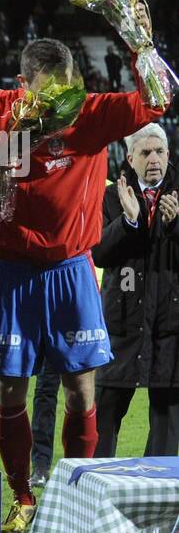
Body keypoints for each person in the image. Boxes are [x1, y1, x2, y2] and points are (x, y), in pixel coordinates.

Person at [0, 37, 168, 533]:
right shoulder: (0, 114)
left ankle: (77, 499)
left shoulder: (88, 115)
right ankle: (21, 500)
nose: (57, 107)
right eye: (46, 97)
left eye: (65, 93)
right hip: (15, 274)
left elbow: (157, 99)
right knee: (10, 392)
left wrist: (138, 43)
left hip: (72, 271)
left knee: (81, 389)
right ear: (23, 87)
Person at [94, 124, 179, 456]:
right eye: (145, 152)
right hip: (122, 325)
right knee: (103, 421)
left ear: (169, 154)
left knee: (167, 430)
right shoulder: (112, 196)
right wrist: (127, 224)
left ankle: (159, 504)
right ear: (130, 157)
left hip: (170, 329)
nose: (154, 159)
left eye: (159, 151)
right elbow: (99, 252)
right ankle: (93, 496)